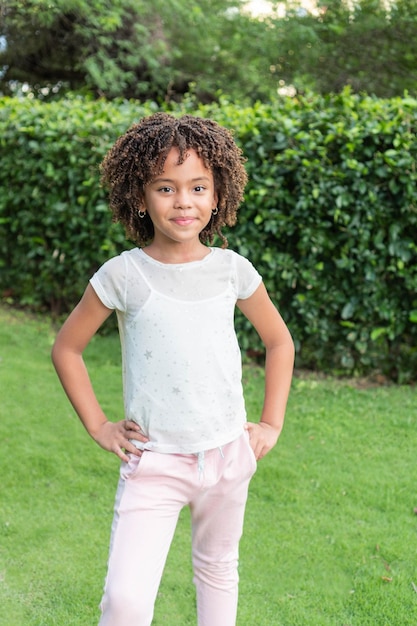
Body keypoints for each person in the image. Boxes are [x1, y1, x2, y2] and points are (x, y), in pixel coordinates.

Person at [51, 112, 294, 626]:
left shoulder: (233, 271)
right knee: (125, 602)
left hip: (227, 455)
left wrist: (270, 422)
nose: (184, 201)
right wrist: (99, 425)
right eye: (166, 187)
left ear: (217, 194)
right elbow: (66, 349)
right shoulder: (122, 275)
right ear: (140, 197)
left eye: (198, 187)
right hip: (154, 464)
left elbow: (278, 341)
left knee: (217, 570)